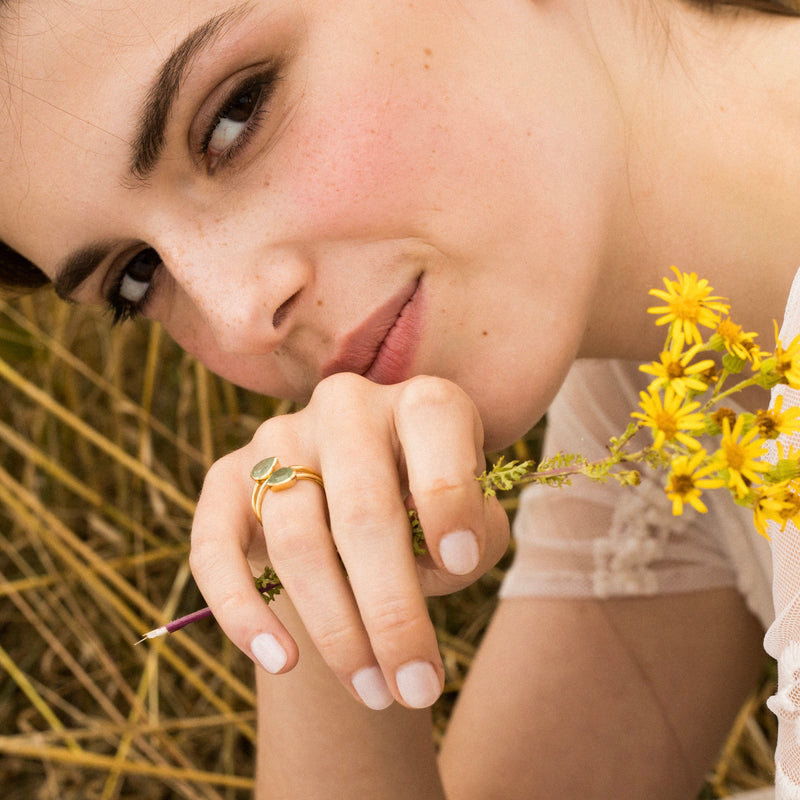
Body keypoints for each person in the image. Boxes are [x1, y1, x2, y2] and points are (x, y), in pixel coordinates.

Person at [2, 0, 800, 797]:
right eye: (138, 276)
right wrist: (315, 577)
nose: (238, 315)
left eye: (233, 117)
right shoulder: (658, 407)